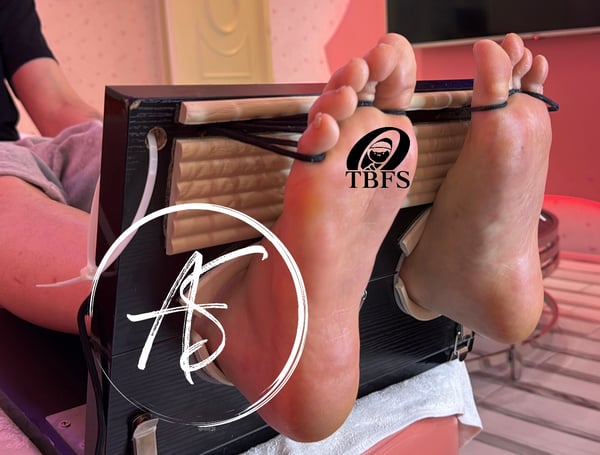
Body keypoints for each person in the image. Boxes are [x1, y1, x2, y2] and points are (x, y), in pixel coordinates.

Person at [0, 0, 553, 451]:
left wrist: (118, 145)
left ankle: (436, 260)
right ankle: (221, 309)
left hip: (49, 142)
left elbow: (56, 103)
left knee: (114, 153)